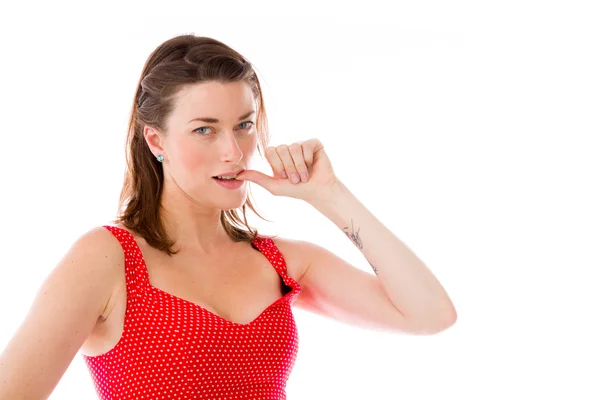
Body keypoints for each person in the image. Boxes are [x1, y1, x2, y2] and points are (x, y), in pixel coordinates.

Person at [0, 34, 457, 400]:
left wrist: (330, 195)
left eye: (244, 124)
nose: (233, 151)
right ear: (156, 142)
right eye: (204, 130)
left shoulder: (281, 263)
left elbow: (430, 314)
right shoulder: (107, 259)